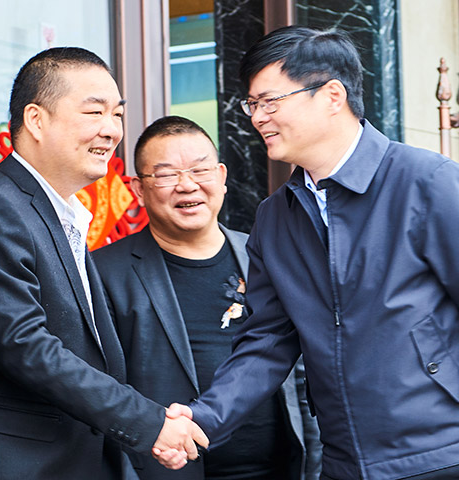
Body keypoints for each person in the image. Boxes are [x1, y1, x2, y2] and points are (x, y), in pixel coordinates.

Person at [158, 26, 459, 480]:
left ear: (332, 96)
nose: (258, 118)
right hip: (344, 462)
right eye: (252, 105)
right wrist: (203, 419)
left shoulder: (427, 182)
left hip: (442, 453)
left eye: (270, 102)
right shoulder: (274, 217)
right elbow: (266, 341)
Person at [0, 47, 208, 480]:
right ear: (36, 120)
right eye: (94, 112)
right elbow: (24, 344)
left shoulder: (63, 211)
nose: (111, 130)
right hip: (27, 464)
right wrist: (148, 423)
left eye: (117, 114)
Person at [93, 115, 322, 480]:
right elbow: (100, 390)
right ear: (138, 189)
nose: (187, 185)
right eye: (167, 175)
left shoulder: (265, 256)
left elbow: (300, 370)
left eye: (200, 170)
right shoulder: (103, 272)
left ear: (221, 176)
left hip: (279, 469)